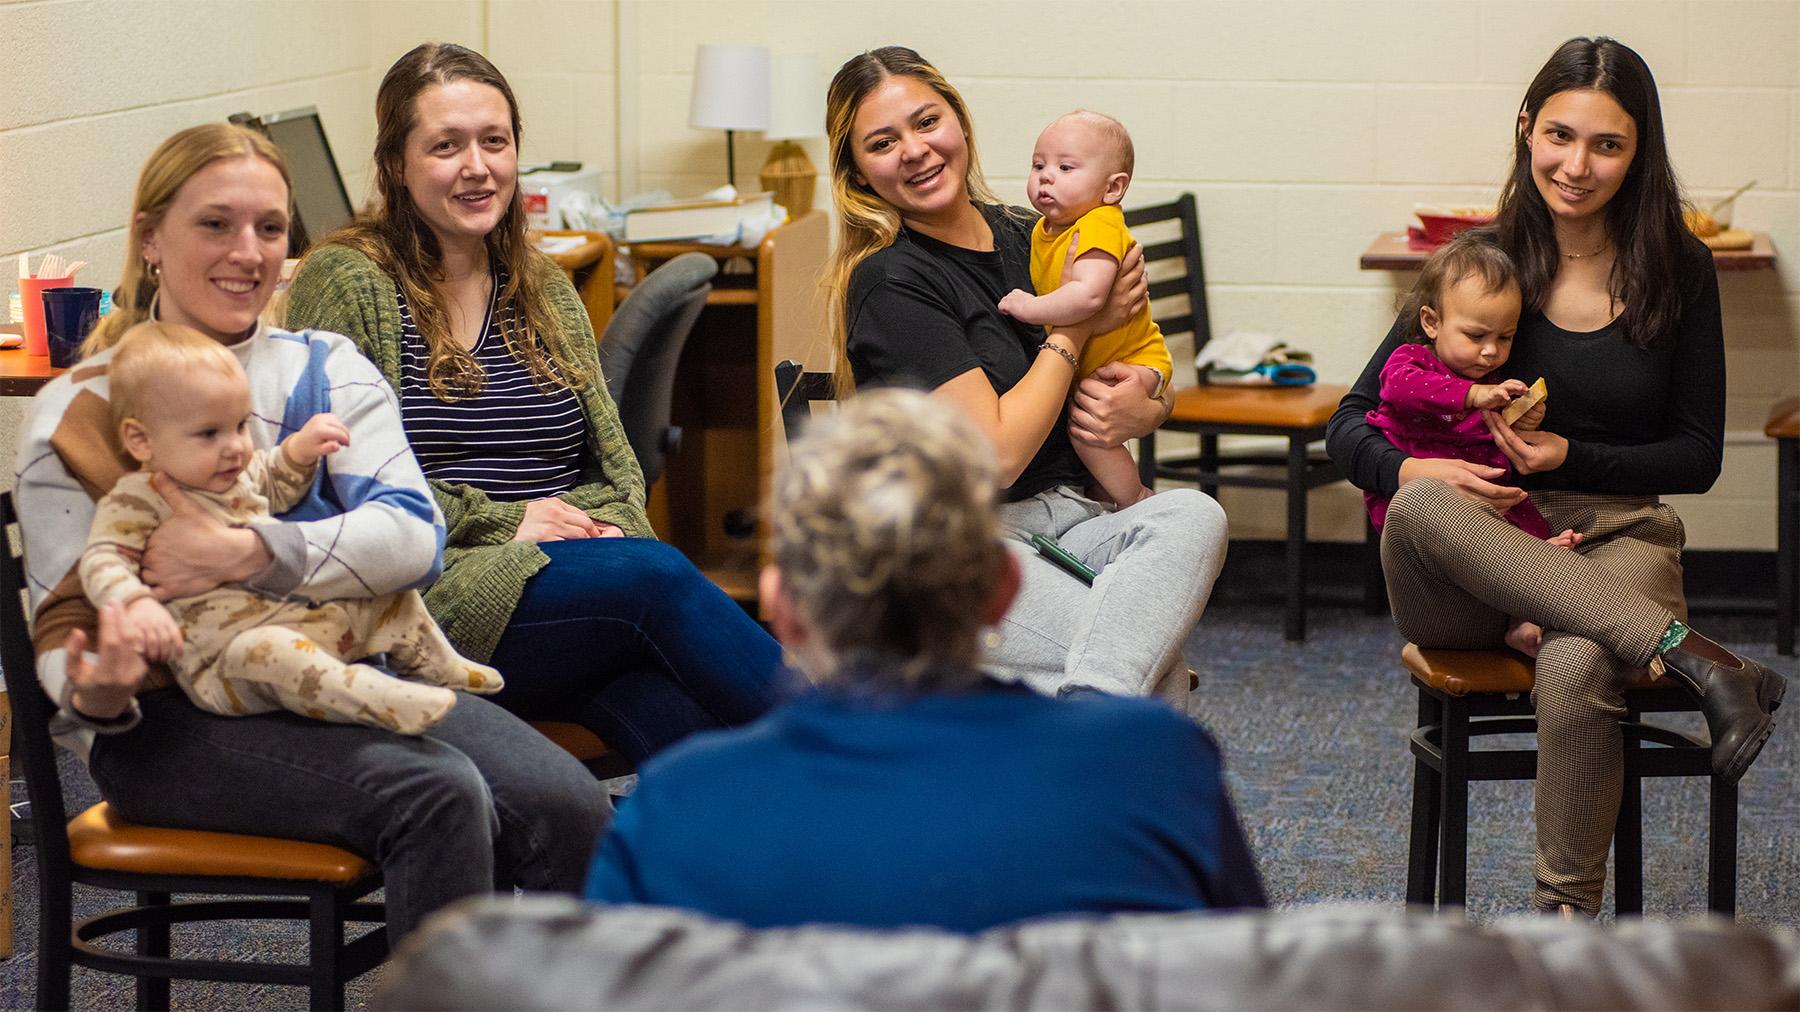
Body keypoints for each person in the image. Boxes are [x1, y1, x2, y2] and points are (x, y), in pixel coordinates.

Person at [14, 122, 608, 940]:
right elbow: (66, 636)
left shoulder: (323, 366)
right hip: (168, 723)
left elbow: (412, 538)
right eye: (215, 224)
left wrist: (251, 552)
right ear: (150, 238)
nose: (248, 252)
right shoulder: (79, 411)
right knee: (438, 795)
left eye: (268, 228)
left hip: (339, 669)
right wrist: (102, 681)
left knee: (567, 801)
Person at [1326, 36, 1785, 917]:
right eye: (1560, 136)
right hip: (1473, 557)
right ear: (1527, 128)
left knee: (1576, 664)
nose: (1577, 166)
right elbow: (1351, 422)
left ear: (1640, 151)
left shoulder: (1678, 267)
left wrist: (1572, 457)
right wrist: (1421, 464)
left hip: (1620, 535)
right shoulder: (1481, 262)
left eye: (1607, 145)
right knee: (1420, 500)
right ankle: (1701, 658)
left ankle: (1561, 921)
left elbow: (1699, 454)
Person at [585, 389, 1266, 931]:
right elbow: (1248, 978)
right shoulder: (1155, 763)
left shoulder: (678, 807)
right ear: (1002, 590)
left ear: (783, 605)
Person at [286, 43, 791, 764]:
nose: (477, 166)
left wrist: (605, 532)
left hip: (568, 597)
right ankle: (863, 759)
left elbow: (615, 472)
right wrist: (509, 521)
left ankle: (775, 862)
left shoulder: (543, 286)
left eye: (495, 141)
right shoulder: (347, 282)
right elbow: (337, 490)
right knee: (656, 580)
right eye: (445, 146)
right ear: (396, 165)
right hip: (425, 602)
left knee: (679, 720)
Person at [822, 46, 1227, 699]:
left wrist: (1150, 405)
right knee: (1152, 665)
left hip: (1075, 517)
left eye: (927, 122)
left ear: (959, 122)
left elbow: (1135, 350)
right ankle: (1107, 715)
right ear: (861, 174)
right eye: (882, 142)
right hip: (965, 544)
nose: (915, 150)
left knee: (1192, 515)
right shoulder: (893, 282)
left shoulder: (1033, 233)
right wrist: (1073, 326)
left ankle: (1099, 708)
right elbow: (998, 458)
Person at [80, 321, 504, 735]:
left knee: (389, 590)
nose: (236, 447)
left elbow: (274, 478)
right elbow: (103, 558)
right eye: (209, 433)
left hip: (298, 618)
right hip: (227, 662)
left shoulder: (234, 473)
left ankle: (435, 662)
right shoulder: (138, 498)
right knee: (280, 657)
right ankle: (379, 701)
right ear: (141, 441)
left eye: (241, 425)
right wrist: (135, 603)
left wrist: (298, 452)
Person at [1363, 234, 1585, 658]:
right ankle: (1538, 568)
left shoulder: (1488, 383)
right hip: (1421, 507)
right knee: (1475, 537)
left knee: (1525, 516)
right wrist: (1474, 396)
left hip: (1487, 498)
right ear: (1432, 322)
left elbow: (1494, 434)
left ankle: (1526, 607)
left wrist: (1523, 419)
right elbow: (1404, 390)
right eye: (1476, 335)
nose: (1490, 351)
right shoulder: (1411, 360)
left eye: (1505, 338)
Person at [997, 110, 1172, 508]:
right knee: (1087, 430)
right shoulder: (1045, 229)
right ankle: (1110, 499)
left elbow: (1089, 297)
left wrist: (1031, 307)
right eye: (1038, 165)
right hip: (1104, 361)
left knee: (1086, 431)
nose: (1046, 176)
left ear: (1113, 189)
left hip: (1132, 361)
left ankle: (1134, 500)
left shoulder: (1098, 224)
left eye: (1065, 167)